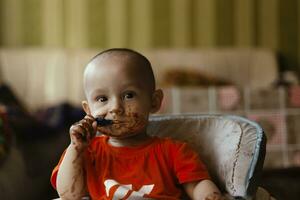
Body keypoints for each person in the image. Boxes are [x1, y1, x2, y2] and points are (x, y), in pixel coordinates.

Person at [51, 48, 223, 200]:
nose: (116, 108)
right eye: (102, 99)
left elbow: (198, 185)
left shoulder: (173, 151)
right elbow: (69, 195)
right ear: (88, 111)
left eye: (128, 95)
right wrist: (76, 148)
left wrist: (209, 195)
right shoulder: (86, 152)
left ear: (154, 102)